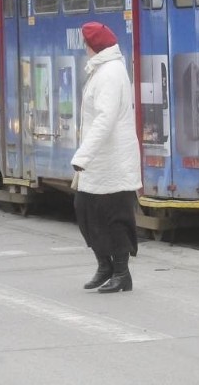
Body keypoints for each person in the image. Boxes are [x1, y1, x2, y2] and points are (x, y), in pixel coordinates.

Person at [71, 22, 142, 293]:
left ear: (93, 46)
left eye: (85, 44)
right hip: (98, 162)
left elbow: (105, 119)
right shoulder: (102, 70)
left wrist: (83, 155)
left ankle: (122, 273)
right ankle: (105, 265)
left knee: (116, 217)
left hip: (112, 161)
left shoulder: (110, 73)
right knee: (85, 210)